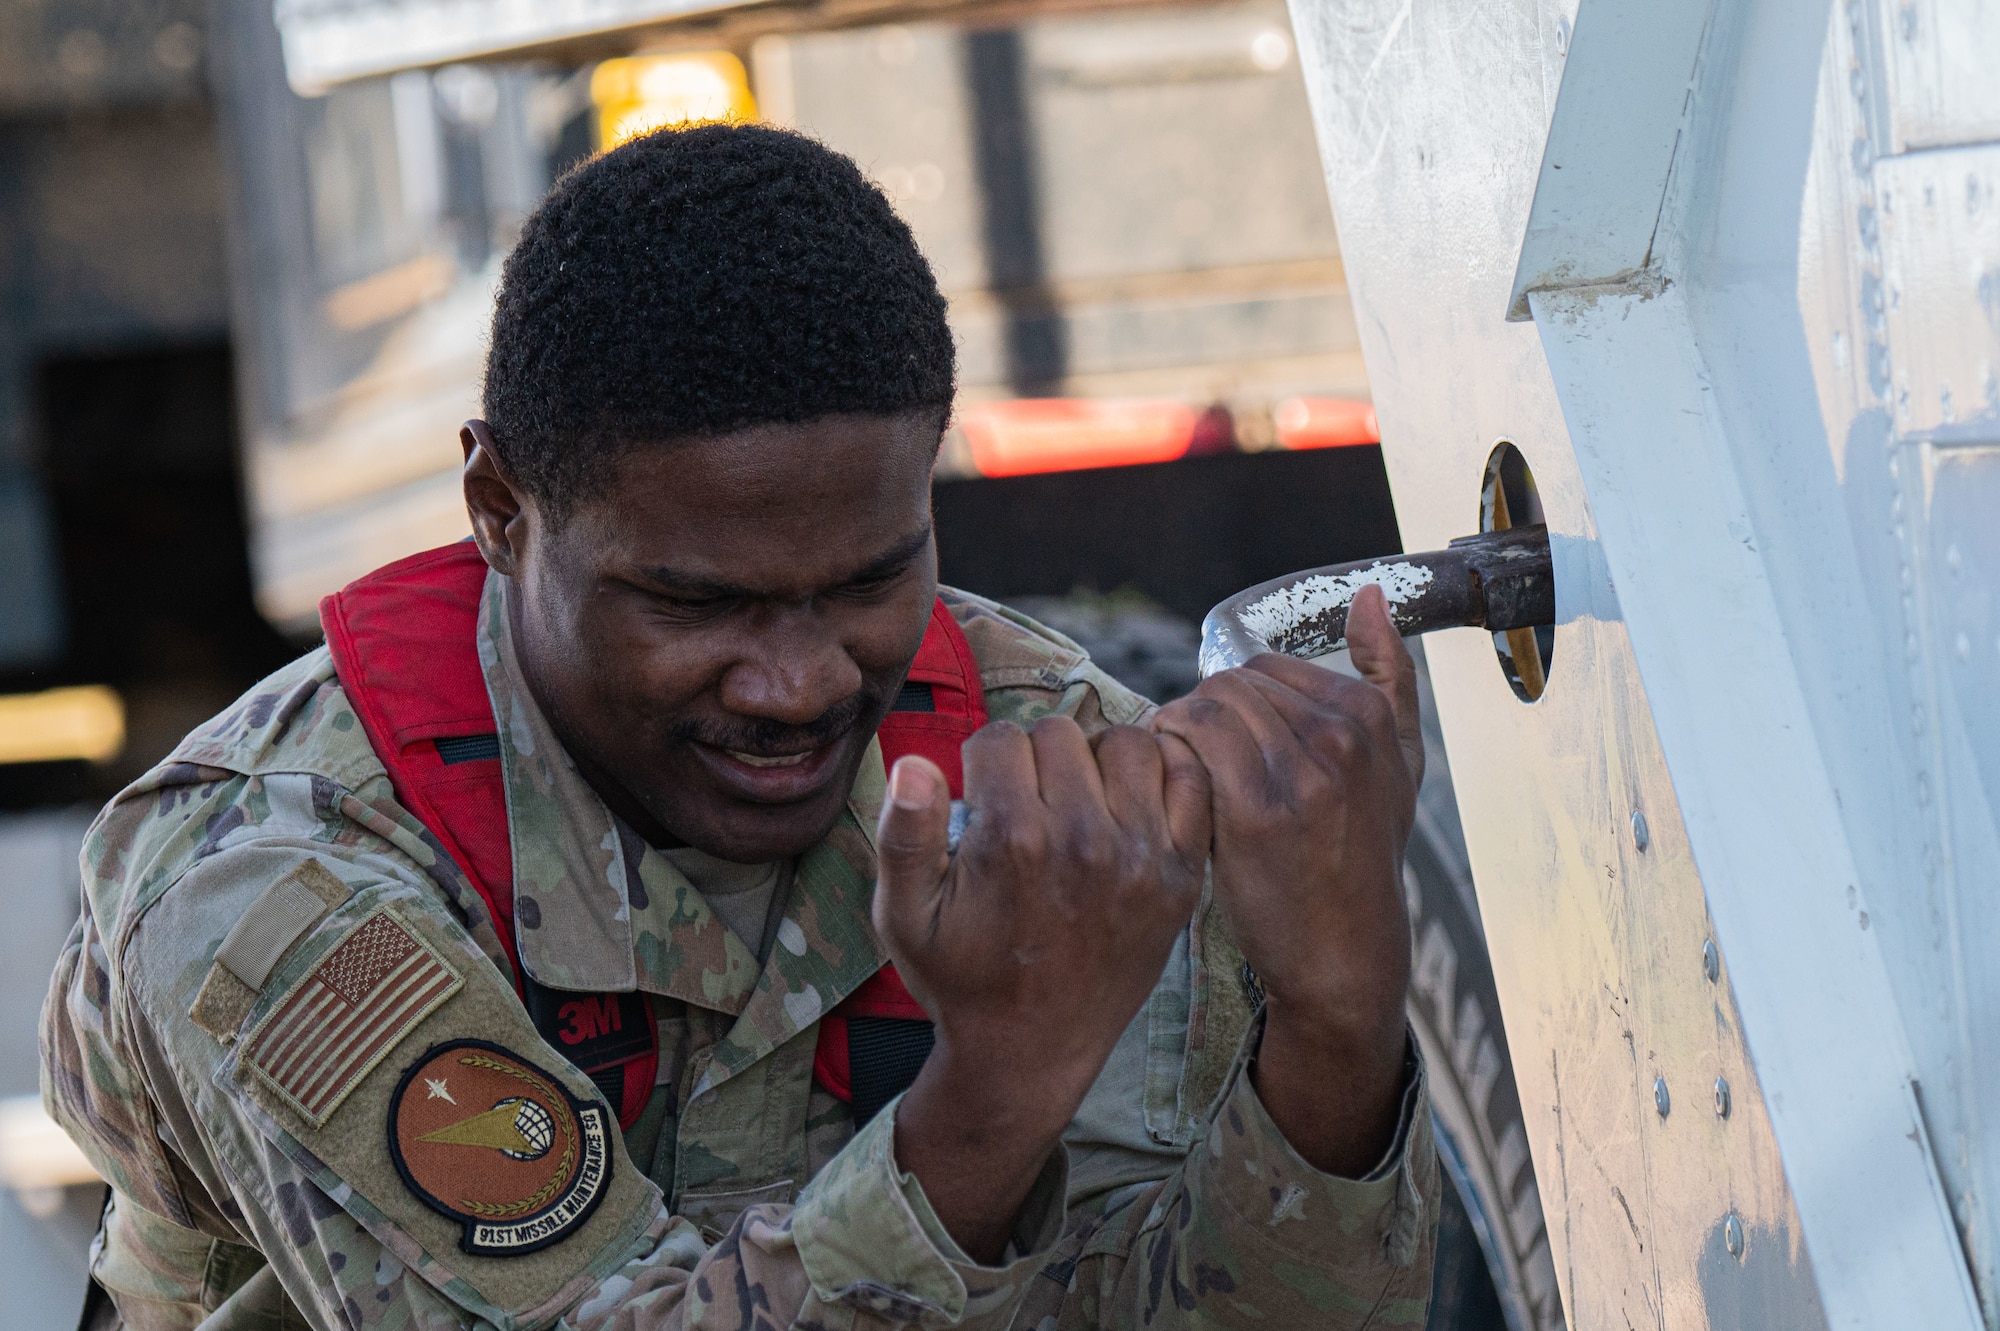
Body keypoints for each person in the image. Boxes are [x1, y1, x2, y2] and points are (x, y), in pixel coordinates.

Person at [42, 122, 1437, 1330]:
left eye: (871, 579)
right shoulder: (273, 880)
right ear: (500, 512)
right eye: (695, 602)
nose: (800, 685)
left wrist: (1337, 1025)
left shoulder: (1046, 761)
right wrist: (999, 1085)